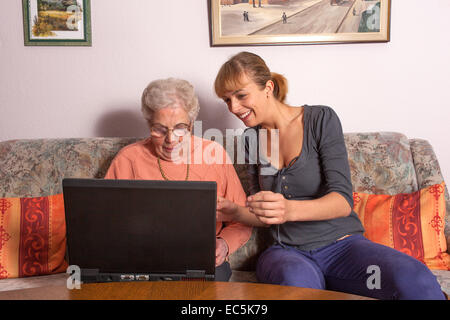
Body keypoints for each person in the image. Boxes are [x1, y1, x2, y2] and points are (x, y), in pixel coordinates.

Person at [213, 51, 446, 299]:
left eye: (241, 95)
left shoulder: (320, 120)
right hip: (286, 252)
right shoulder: (252, 139)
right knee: (298, 285)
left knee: (414, 277)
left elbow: (342, 201)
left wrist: (288, 210)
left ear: (268, 87)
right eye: (227, 100)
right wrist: (235, 211)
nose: (234, 108)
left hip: (343, 248)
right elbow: (265, 213)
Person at [104, 78, 252, 281]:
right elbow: (106, 223)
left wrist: (224, 244)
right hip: (142, 261)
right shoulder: (128, 159)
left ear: (191, 124)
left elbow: (242, 218)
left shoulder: (213, 154)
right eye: (160, 129)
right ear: (149, 124)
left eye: (180, 128)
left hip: (199, 260)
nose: (171, 139)